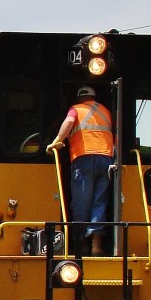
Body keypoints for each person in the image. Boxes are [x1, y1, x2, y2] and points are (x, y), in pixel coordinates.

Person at [47, 86, 115, 255]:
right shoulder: (106, 111)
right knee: (100, 201)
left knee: (82, 201)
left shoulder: (76, 109)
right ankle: (96, 245)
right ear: (94, 97)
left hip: (83, 157)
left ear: (79, 98)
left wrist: (56, 141)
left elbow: (69, 122)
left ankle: (81, 243)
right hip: (106, 158)